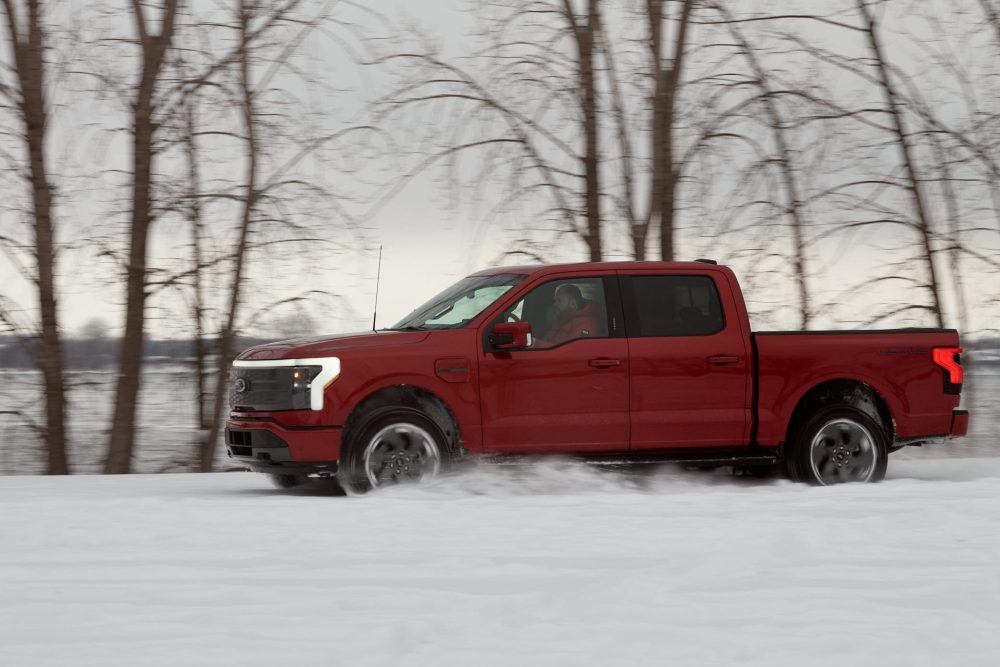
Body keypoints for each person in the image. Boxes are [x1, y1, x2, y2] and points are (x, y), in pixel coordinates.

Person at [534, 284, 601, 347]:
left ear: (573, 304)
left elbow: (567, 352)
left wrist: (534, 343)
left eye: (559, 301)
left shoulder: (585, 326)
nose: (555, 304)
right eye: (555, 300)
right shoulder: (563, 319)